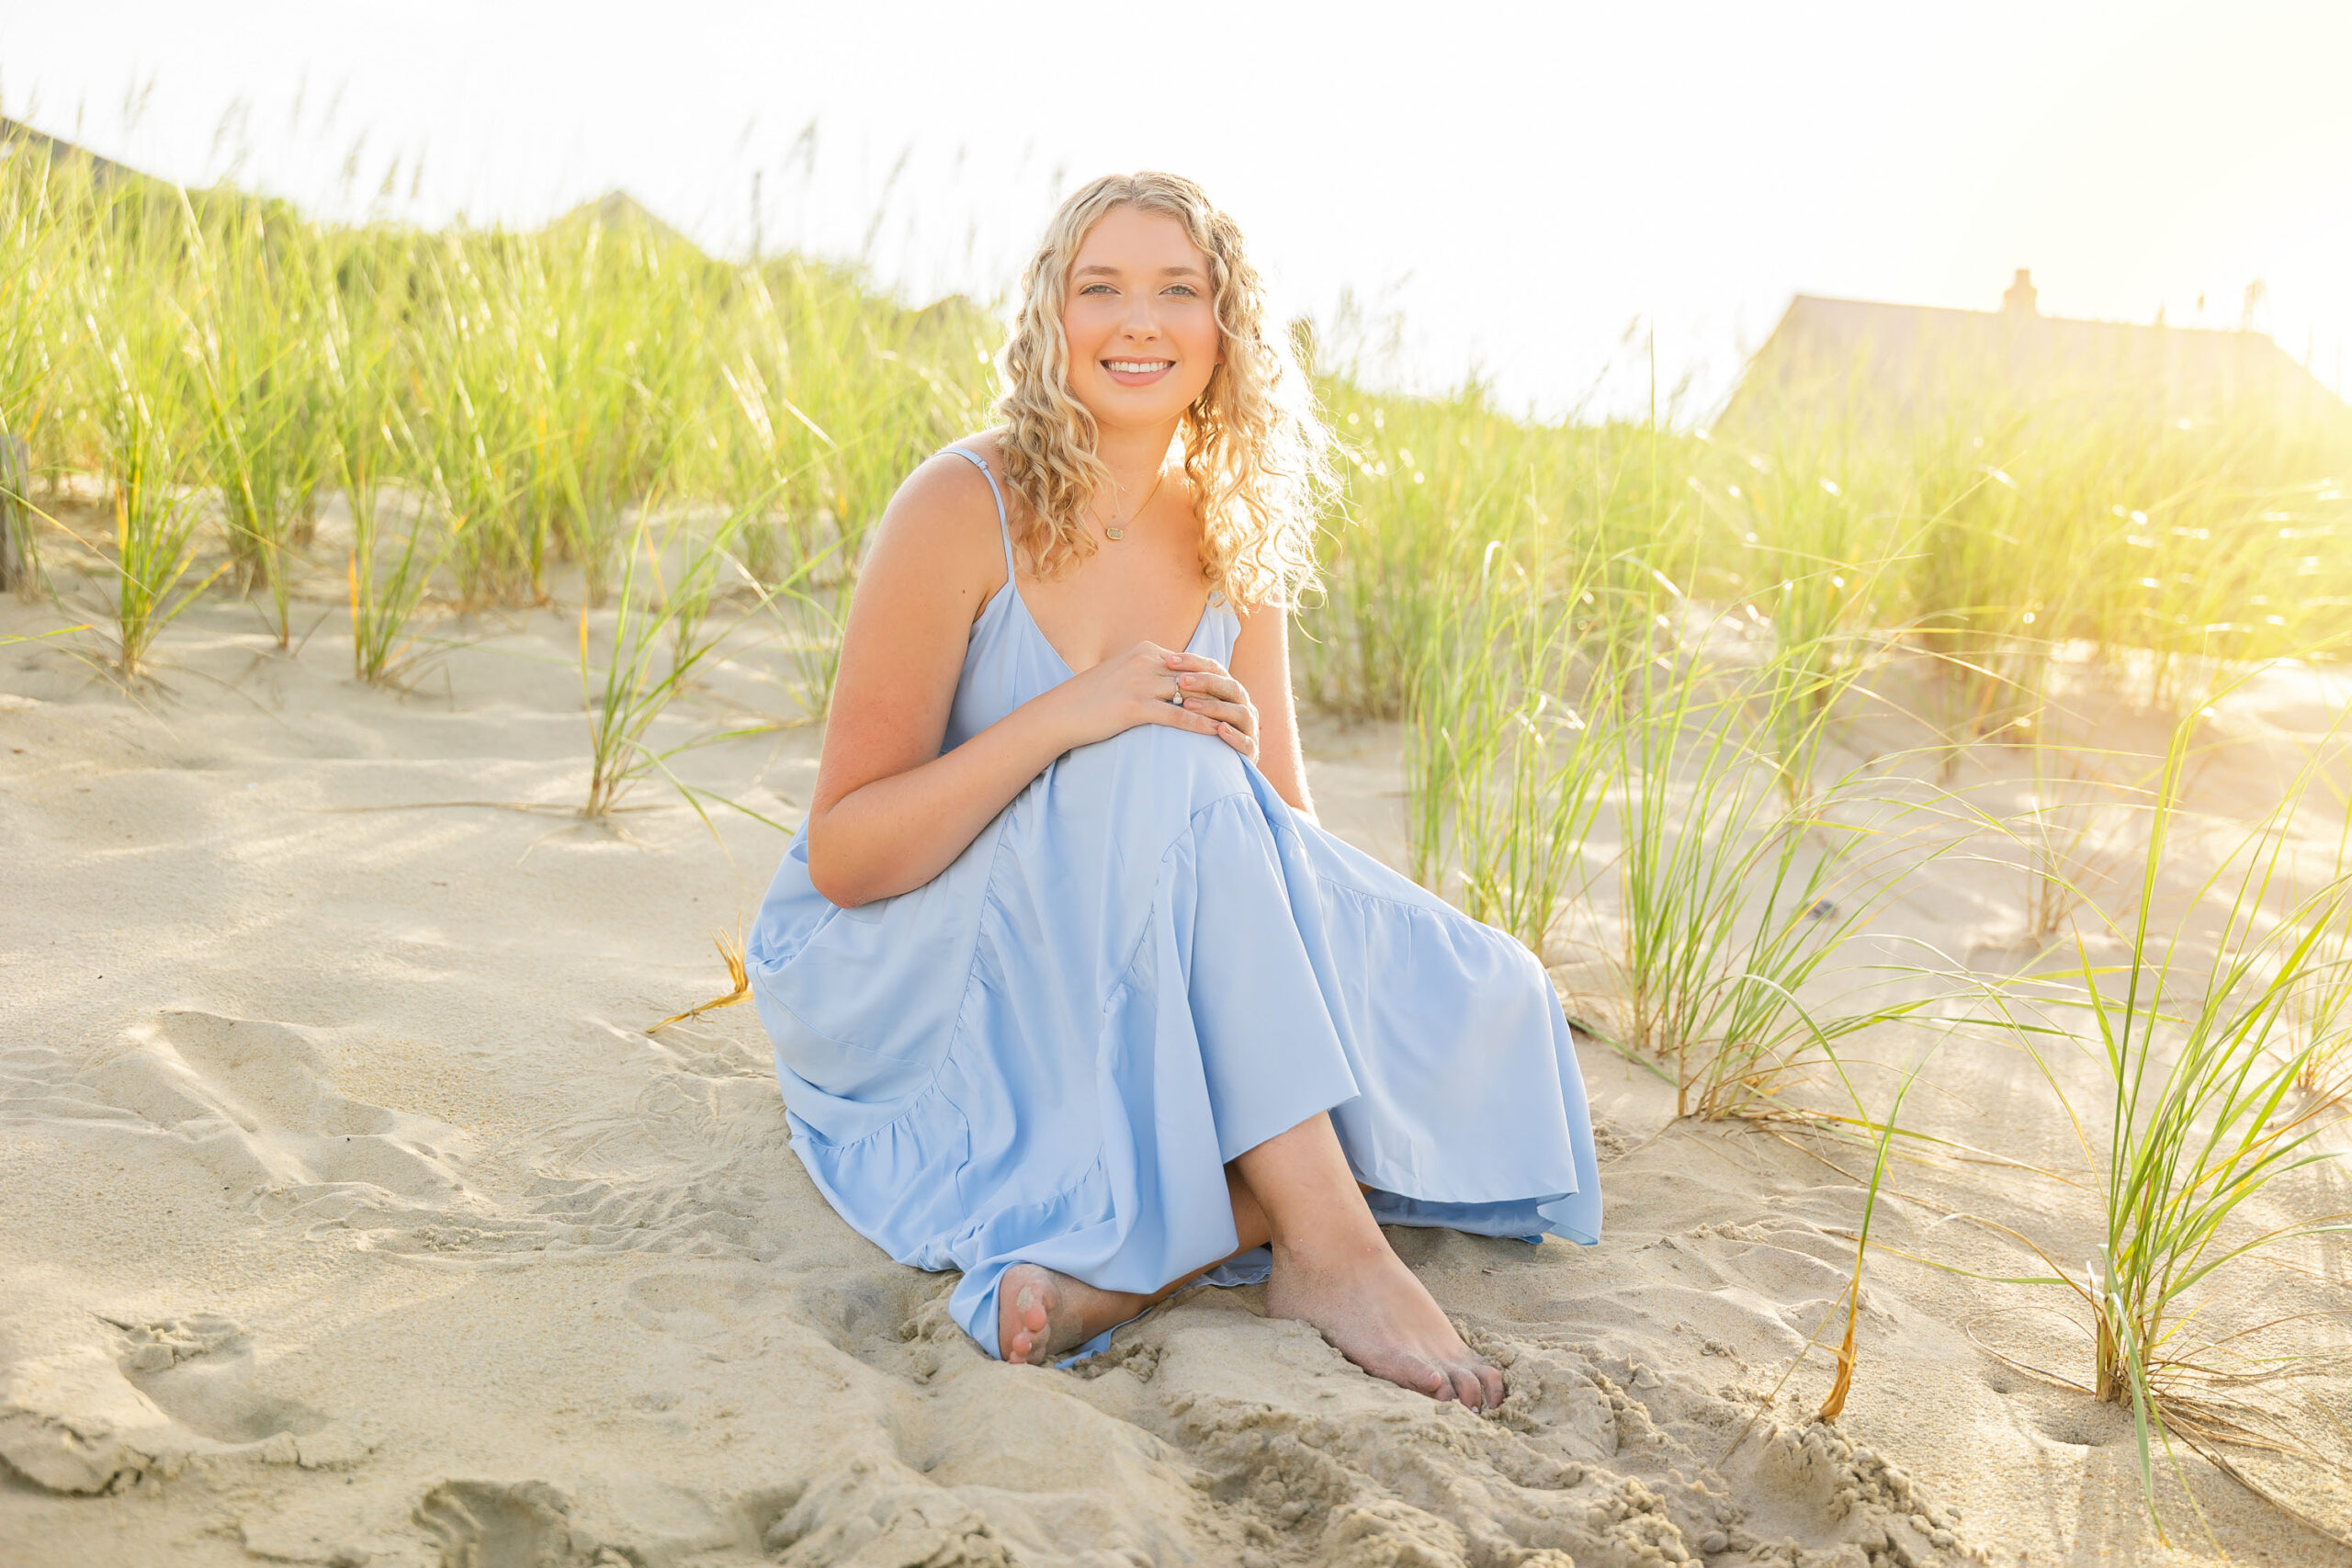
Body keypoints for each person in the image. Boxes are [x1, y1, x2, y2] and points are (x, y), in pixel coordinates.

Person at [748, 172, 1600, 1412]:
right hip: (923, 962)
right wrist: (1069, 720)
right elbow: (846, 855)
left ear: (1223, 333)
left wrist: (1236, 769)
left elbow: (1284, 834)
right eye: (1102, 289)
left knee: (1497, 990)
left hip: (1134, 946)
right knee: (1157, 755)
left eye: (1176, 292)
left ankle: (1186, 1236)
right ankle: (1334, 1250)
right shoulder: (960, 506)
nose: (1138, 321)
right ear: (1051, 318)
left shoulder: (1229, 536)